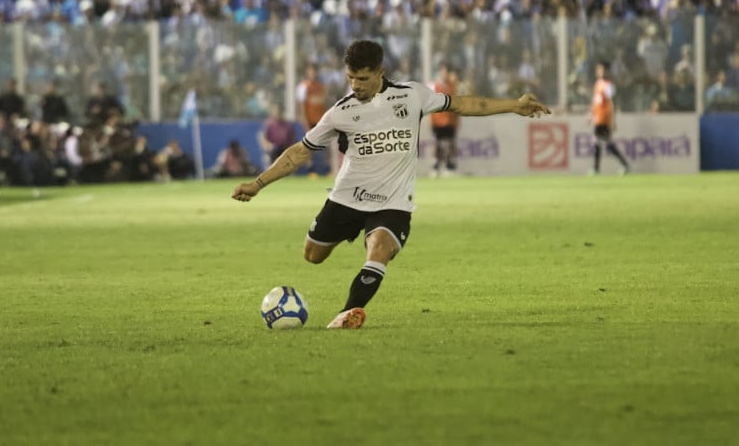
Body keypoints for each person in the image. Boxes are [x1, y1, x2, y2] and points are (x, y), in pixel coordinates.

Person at [231, 40, 551, 330]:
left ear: (380, 72)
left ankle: (348, 314)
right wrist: (258, 184)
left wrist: (513, 105)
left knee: (380, 249)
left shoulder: (412, 95)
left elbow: (463, 104)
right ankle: (349, 253)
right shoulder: (340, 113)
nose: (355, 85)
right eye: (351, 78)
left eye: (363, 78)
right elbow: (299, 152)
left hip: (393, 202)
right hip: (347, 197)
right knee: (312, 255)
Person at [590, 61, 630, 175]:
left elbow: (611, 103)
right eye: (598, 69)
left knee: (603, 144)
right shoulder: (597, 84)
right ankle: (622, 165)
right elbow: (595, 103)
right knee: (602, 144)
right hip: (597, 119)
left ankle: (597, 169)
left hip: (604, 119)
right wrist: (591, 115)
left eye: (601, 69)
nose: (599, 72)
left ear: (606, 71)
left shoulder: (608, 85)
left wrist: (613, 120)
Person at [429, 63, 460, 177]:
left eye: (445, 72)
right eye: (442, 71)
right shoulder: (434, 86)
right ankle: (436, 166)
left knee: (450, 143)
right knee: (438, 144)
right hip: (437, 120)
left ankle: (450, 166)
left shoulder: (452, 86)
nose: (444, 74)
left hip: (450, 120)